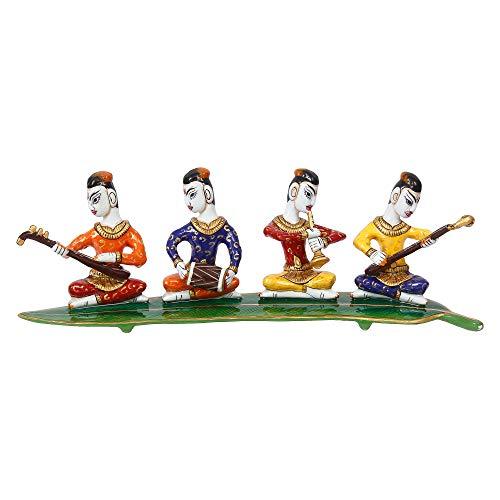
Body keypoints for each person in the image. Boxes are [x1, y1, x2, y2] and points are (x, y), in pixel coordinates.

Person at [52, 171, 147, 308]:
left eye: (95, 200)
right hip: (95, 280)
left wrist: (113, 257)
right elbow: (70, 250)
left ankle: (92, 301)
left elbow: (140, 258)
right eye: (89, 201)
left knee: (139, 285)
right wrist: (61, 250)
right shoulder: (94, 234)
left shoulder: (129, 232)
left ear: (112, 197)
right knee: (75, 288)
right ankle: (123, 297)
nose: (91, 207)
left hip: (118, 278)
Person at [352, 171, 435, 305]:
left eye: (416, 203)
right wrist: (372, 253)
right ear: (395, 196)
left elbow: (423, 233)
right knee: (361, 280)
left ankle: (376, 293)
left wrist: (431, 239)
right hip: (381, 273)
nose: (412, 209)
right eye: (409, 202)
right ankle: (401, 296)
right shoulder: (376, 225)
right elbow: (359, 240)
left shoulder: (404, 228)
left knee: (421, 284)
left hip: (402, 274)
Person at [261, 168, 345, 299]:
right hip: (288, 273)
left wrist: (324, 241)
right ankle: (307, 291)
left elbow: (339, 234)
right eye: (308, 194)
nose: (312, 202)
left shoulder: (306, 224)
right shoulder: (277, 223)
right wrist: (306, 235)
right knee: (268, 281)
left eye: (315, 196)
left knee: (329, 278)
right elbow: (273, 233)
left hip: (308, 272)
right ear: (293, 191)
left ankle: (286, 292)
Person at [162, 168, 242, 302]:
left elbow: (235, 249)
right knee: (168, 282)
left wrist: (232, 269)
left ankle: (189, 295)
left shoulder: (224, 228)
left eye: (192, 194)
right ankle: (217, 293)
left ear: (207, 193)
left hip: (211, 274)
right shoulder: (191, 228)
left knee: (233, 281)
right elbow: (172, 241)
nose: (187, 202)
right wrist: (178, 262)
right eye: (185, 195)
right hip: (191, 273)